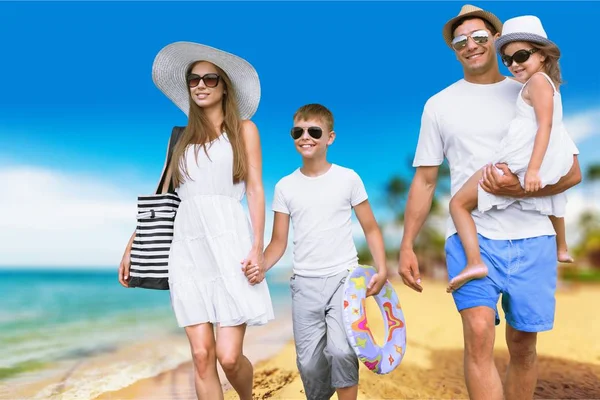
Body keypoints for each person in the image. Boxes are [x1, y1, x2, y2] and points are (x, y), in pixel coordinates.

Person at [398, 5, 581, 400]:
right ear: (453, 49)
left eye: (480, 37)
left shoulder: (532, 89)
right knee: (479, 333)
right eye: (460, 41)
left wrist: (519, 190)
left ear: (496, 40)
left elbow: (572, 171)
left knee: (523, 345)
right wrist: (407, 244)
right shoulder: (438, 105)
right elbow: (426, 180)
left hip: (533, 235)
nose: (471, 45)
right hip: (472, 237)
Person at [118, 42, 274, 400]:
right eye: (193, 80)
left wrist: (257, 248)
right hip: (185, 250)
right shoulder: (179, 138)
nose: (201, 85)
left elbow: (255, 191)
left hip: (230, 245)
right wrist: (131, 247)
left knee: (229, 357)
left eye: (209, 78)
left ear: (224, 87)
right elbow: (164, 199)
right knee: (202, 356)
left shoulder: (245, 130)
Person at [245, 104, 387, 400]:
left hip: (344, 281)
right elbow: (278, 242)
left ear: (330, 138)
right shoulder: (285, 186)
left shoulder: (348, 178)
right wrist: (261, 266)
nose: (305, 137)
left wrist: (382, 269)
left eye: (314, 131)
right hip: (304, 285)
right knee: (308, 364)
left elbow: (371, 228)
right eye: (298, 131)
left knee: (341, 350)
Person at [447, 15, 576, 292]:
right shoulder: (543, 82)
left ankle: (474, 262)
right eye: (507, 59)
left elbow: (545, 125)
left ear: (542, 55)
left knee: (458, 203)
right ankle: (561, 247)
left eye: (521, 56)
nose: (514, 64)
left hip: (520, 159)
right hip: (540, 158)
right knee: (553, 196)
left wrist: (532, 169)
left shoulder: (538, 82)